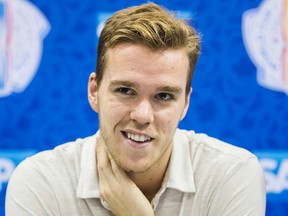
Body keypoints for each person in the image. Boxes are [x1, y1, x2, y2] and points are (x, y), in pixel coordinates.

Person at [5, 2, 266, 216]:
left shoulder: (232, 175)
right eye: (125, 91)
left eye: (163, 96)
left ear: (185, 103)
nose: (142, 115)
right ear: (94, 91)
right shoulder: (42, 182)